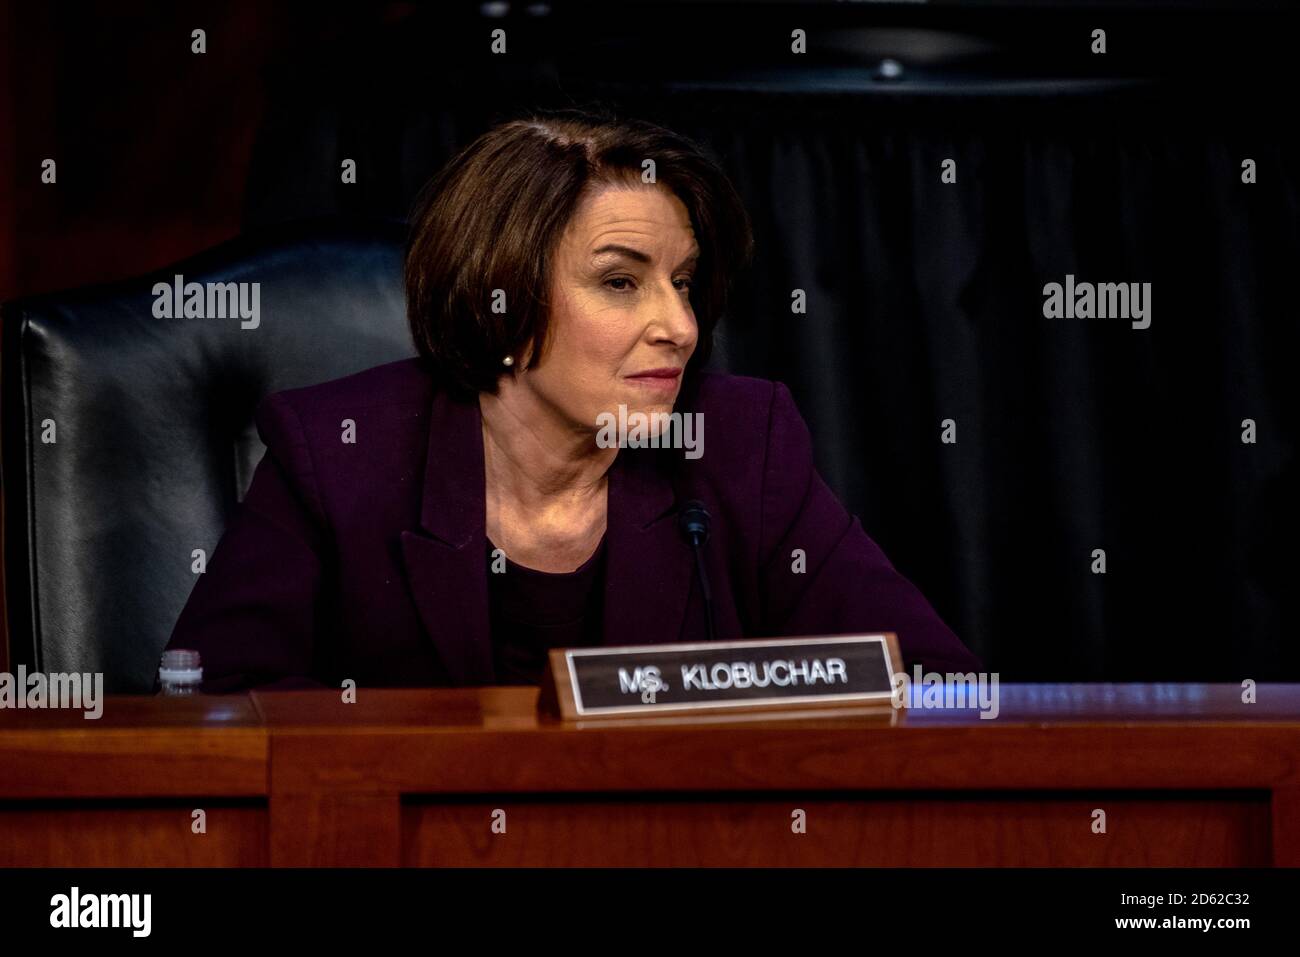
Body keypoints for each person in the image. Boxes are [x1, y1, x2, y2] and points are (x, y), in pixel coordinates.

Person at [162, 108, 981, 693]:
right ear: (504, 303)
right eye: (621, 282)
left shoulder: (738, 443)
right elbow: (215, 703)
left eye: (684, 283)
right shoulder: (336, 453)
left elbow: (940, 684)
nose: (681, 326)